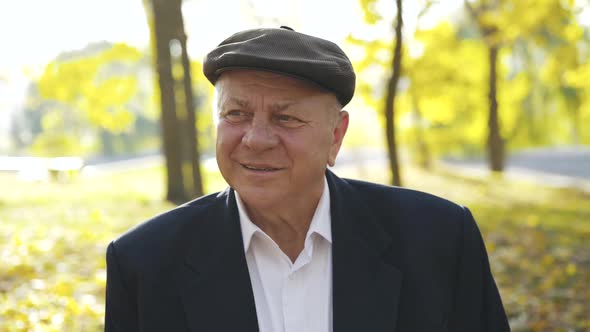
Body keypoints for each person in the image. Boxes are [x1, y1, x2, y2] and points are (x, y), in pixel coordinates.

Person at [105, 26, 510, 332]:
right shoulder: (143, 263)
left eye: (286, 118)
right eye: (236, 114)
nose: (256, 139)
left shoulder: (439, 239)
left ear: (336, 136)